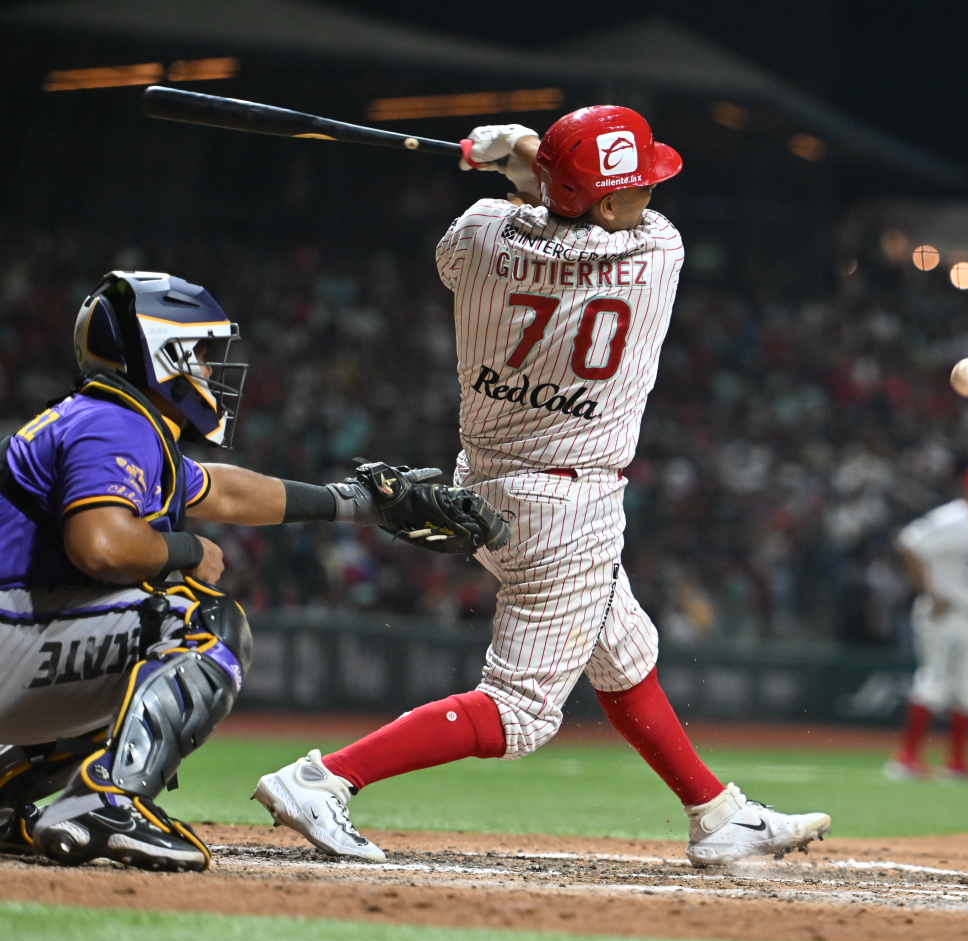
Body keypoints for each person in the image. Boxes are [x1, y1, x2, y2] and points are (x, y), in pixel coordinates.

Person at [253, 107, 831, 866]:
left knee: (622, 650)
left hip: (485, 486)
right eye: (637, 187)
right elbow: (580, 220)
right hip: (571, 502)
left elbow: (530, 226)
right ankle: (324, 780)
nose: (651, 197)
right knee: (520, 712)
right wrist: (524, 152)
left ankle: (715, 813)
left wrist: (529, 168)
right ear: (607, 201)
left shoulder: (479, 233)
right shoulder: (660, 251)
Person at [0, 272, 495, 871]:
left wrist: (354, 502)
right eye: (202, 353)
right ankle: (104, 802)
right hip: (10, 638)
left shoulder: (110, 421)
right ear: (163, 352)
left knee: (138, 670)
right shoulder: (114, 422)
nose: (210, 369)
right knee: (203, 623)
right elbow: (100, 545)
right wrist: (186, 552)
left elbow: (229, 493)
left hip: (17, 637)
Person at [885, 460, 968, 781]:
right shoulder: (952, 518)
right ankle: (907, 759)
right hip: (946, 612)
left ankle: (958, 763)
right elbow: (909, 541)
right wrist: (929, 591)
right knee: (934, 681)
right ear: (967, 490)